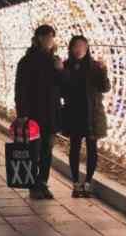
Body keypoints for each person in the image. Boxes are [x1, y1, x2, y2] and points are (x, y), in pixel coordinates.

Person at [15, 24, 63, 200]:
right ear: (38, 39)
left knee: (47, 151)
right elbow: (20, 89)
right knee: (34, 151)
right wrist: (22, 114)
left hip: (51, 113)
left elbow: (62, 86)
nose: (49, 40)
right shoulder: (27, 61)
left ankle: (43, 182)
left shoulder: (55, 61)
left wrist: (60, 70)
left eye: (51, 36)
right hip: (34, 114)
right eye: (45, 36)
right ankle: (34, 185)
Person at [61, 35, 110, 198]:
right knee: (74, 148)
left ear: (87, 47)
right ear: (71, 48)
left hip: (93, 114)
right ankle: (76, 183)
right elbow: (61, 90)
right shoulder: (65, 66)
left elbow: (105, 88)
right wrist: (61, 72)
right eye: (76, 46)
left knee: (92, 149)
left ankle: (88, 182)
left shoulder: (95, 66)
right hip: (74, 113)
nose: (79, 49)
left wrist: (104, 71)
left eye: (82, 45)